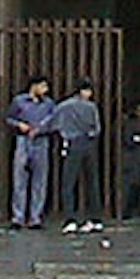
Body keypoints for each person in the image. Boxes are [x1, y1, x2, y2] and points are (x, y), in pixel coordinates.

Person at [50, 79, 104, 227]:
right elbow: (97, 128)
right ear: (83, 91)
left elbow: (52, 124)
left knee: (68, 182)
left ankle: (70, 219)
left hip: (72, 144)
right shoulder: (91, 107)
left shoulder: (64, 106)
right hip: (89, 144)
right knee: (92, 181)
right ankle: (95, 218)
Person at [8, 75, 57, 230]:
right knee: (19, 179)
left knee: (40, 180)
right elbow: (9, 118)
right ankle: (18, 216)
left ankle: (35, 217)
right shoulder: (19, 101)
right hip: (23, 140)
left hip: (41, 140)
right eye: (42, 86)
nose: (45, 90)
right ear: (34, 86)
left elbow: (54, 120)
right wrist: (19, 125)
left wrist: (42, 128)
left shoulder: (49, 104)